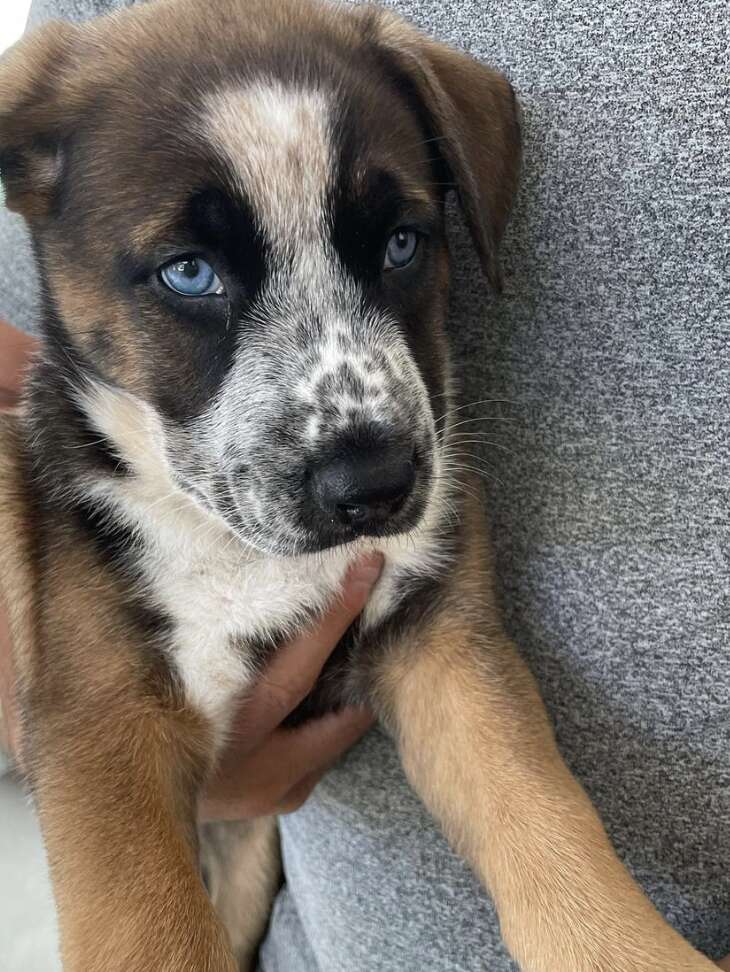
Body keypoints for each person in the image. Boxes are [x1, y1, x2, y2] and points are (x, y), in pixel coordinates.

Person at [1, 0, 728, 970]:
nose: (352, 412)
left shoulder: (411, 83)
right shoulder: (73, 95)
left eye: (395, 246)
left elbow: (449, 660)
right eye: (189, 271)